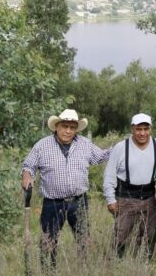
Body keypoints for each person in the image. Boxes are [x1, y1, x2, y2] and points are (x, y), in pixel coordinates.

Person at [21, 109, 111, 269]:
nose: (68, 131)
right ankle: (48, 270)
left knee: (83, 239)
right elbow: (29, 165)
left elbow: (102, 156)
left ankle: (83, 269)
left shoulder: (84, 144)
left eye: (72, 127)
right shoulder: (42, 145)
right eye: (65, 126)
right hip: (52, 203)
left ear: (76, 129)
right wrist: (27, 175)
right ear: (56, 126)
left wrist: (123, 148)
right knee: (48, 241)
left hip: (79, 201)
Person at [103, 113, 156, 257]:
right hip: (125, 198)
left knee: (147, 235)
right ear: (132, 129)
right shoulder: (120, 147)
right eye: (138, 129)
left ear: (150, 129)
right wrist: (110, 199)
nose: (142, 133)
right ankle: (117, 263)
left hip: (149, 198)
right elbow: (109, 175)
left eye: (146, 129)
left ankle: (142, 263)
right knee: (121, 235)